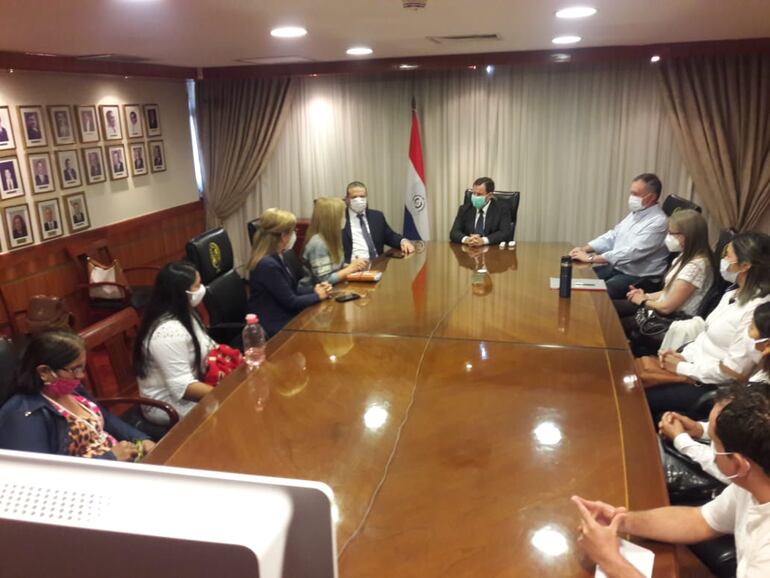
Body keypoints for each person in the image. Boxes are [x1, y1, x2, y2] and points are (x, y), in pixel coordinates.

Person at [572, 382, 770, 578]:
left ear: (738, 464)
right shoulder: (753, 481)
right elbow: (700, 521)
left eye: (712, 441)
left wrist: (609, 560)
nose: (711, 449)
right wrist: (620, 520)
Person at [648, 233, 770, 416]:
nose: (723, 260)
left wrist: (682, 368)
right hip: (693, 365)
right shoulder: (732, 294)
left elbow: (734, 372)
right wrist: (681, 356)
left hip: (711, 385)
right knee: (634, 375)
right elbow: (706, 336)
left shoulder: (757, 311)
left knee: (639, 395)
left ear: (745, 265)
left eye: (728, 256)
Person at [658, 303, 770, 484]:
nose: (744, 336)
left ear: (766, 345)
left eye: (750, 329)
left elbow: (743, 474)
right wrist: (700, 429)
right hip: (716, 453)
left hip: (724, 479)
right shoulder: (762, 375)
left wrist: (683, 441)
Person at [0, 331, 154, 461]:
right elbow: (41, 475)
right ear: (44, 372)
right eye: (75, 369)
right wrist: (111, 458)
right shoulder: (23, 415)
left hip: (119, 463)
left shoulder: (72, 389)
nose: (81, 376)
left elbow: (106, 419)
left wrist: (140, 438)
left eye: (82, 368)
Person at [615, 209, 716, 354]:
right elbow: (669, 291)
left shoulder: (696, 267)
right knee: (612, 308)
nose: (668, 238)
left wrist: (642, 301)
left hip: (671, 319)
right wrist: (645, 295)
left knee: (616, 323)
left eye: (672, 234)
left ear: (687, 235)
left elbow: (667, 308)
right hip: (660, 310)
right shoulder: (684, 257)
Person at [134, 261, 217, 425]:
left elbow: (209, 346)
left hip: (195, 386)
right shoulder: (168, 333)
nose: (202, 289)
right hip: (167, 405)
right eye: (197, 286)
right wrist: (224, 392)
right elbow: (183, 387)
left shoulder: (186, 313)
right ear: (181, 293)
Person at [570, 174, 669, 299]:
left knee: (595, 296)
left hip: (639, 277)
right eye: (631, 193)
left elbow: (632, 252)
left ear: (651, 197)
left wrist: (590, 258)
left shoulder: (659, 221)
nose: (631, 198)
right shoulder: (636, 213)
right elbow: (614, 235)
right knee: (576, 280)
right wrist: (584, 249)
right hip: (618, 268)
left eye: (635, 194)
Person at [248, 208, 331, 337]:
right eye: (293, 231)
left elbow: (290, 290)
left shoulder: (277, 256)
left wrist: (315, 290)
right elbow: (291, 302)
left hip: (285, 315)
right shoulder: (268, 265)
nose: (294, 235)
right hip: (276, 325)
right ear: (283, 236)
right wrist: (318, 296)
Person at [342, 181, 415, 262]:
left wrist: (403, 241)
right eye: (354, 197)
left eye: (362, 196)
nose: (358, 200)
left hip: (377, 264)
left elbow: (390, 236)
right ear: (347, 199)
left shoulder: (377, 216)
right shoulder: (339, 219)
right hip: (352, 266)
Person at [303, 197, 368, 284]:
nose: (345, 219)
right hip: (315, 290)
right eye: (342, 215)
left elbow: (334, 268)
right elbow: (324, 280)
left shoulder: (332, 238)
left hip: (335, 287)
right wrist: (351, 268)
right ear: (332, 219)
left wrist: (354, 265)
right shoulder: (318, 244)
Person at [449, 177, 512, 246]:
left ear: (490, 195)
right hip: (469, 249)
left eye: (479, 194)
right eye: (473, 193)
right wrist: (467, 239)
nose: (475, 197)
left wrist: (483, 240)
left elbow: (505, 232)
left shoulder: (502, 209)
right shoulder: (464, 209)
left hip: (492, 249)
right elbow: (454, 233)